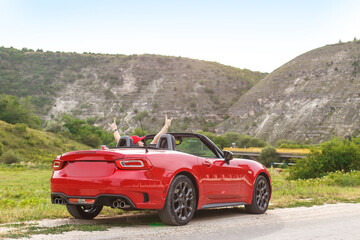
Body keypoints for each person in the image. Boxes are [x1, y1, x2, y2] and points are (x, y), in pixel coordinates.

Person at [108, 114, 173, 146]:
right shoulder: (146, 152)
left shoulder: (126, 151)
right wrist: (166, 126)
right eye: (140, 141)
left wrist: (114, 129)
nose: (143, 143)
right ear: (136, 144)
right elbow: (156, 138)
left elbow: (119, 140)